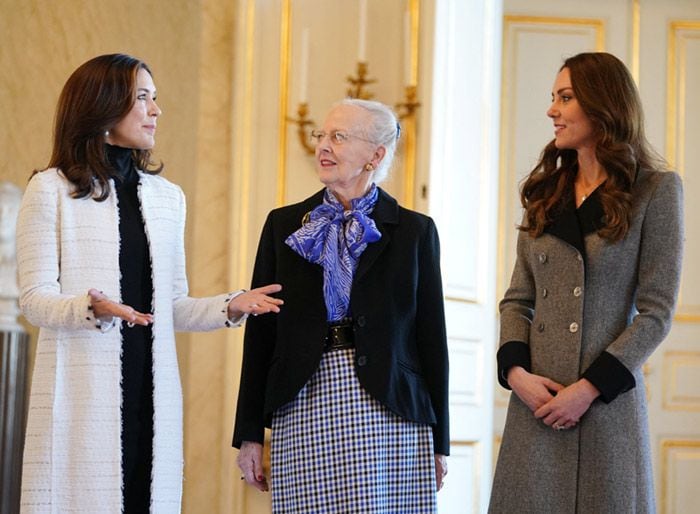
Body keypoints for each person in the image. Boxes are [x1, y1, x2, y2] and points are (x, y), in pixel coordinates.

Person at [15, 53, 283, 513]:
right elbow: (34, 299)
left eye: (155, 98)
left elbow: (172, 306)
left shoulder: (167, 199)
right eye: (142, 98)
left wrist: (233, 304)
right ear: (101, 106)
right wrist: (90, 308)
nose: (156, 110)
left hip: (153, 394)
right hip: (83, 395)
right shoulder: (50, 190)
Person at [489, 52, 683, 513]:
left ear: (603, 104)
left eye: (566, 97)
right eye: (552, 98)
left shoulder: (654, 191)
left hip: (605, 406)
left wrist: (589, 389)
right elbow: (517, 300)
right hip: (537, 404)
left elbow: (657, 313)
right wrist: (517, 375)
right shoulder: (545, 194)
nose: (552, 110)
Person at [233, 98, 449, 512]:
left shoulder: (415, 232)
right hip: (303, 401)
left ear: (375, 155)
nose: (323, 146)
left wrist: (440, 442)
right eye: (321, 135)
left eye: (339, 136)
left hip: (392, 409)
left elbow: (431, 339)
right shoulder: (283, 225)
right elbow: (261, 336)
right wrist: (249, 434)